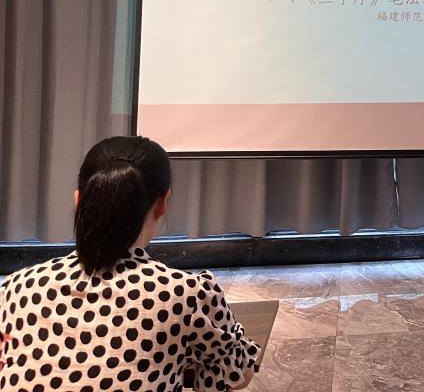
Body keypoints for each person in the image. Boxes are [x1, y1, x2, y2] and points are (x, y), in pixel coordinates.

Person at [0, 136, 261, 391]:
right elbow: (238, 374)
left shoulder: (15, 289)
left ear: (78, 201)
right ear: (163, 203)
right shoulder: (186, 294)